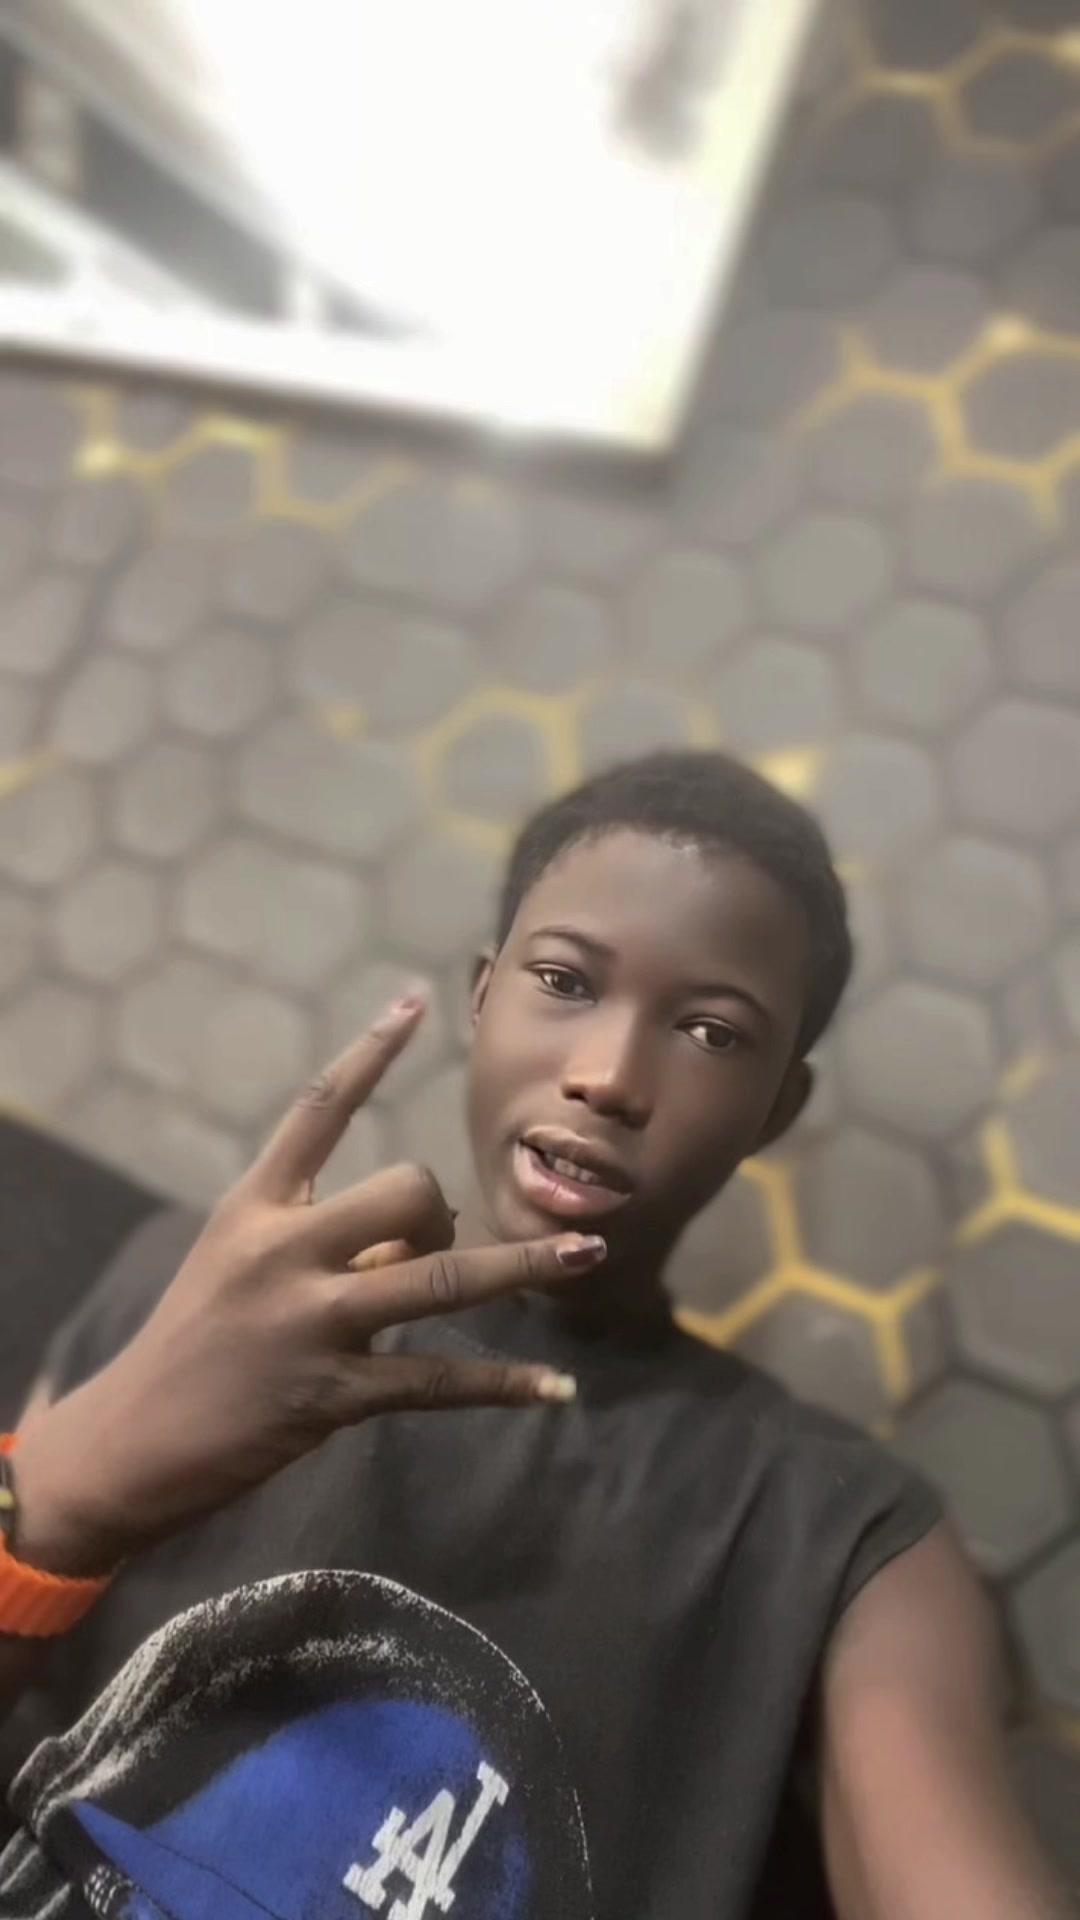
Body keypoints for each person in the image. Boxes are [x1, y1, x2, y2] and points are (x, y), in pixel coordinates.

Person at [0, 750, 1070, 1920]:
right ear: (481, 996)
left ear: (776, 1109)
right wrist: (71, 1488)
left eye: (712, 1034)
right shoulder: (192, 1283)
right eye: (563, 980)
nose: (608, 1076)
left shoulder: (840, 1535)